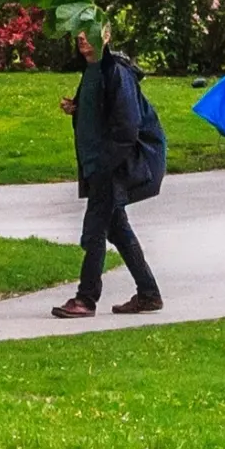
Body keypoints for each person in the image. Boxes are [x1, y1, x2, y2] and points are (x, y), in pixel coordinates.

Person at [53, 20, 165, 319]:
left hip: (110, 166)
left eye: (88, 32)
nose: (81, 37)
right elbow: (102, 108)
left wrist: (105, 165)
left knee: (95, 231)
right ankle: (149, 294)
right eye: (78, 32)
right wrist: (77, 106)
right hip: (99, 165)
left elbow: (127, 127)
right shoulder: (93, 71)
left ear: (106, 36)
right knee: (117, 229)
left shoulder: (116, 72)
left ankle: (86, 299)